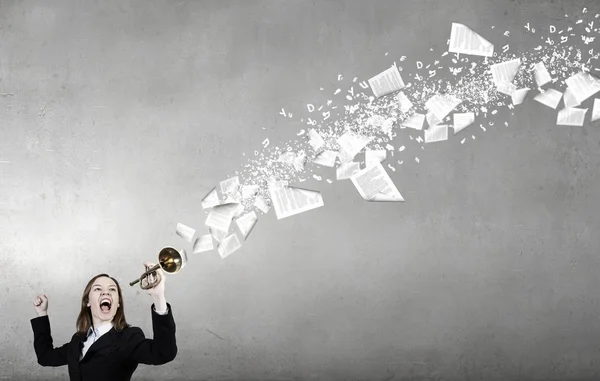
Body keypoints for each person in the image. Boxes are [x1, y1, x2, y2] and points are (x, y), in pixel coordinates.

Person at [30, 262, 177, 381]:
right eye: (98, 289)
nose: (105, 292)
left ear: (118, 302)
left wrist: (158, 296)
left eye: (112, 290)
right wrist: (42, 313)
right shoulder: (78, 340)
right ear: (88, 301)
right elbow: (45, 357)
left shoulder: (128, 338)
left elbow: (163, 353)